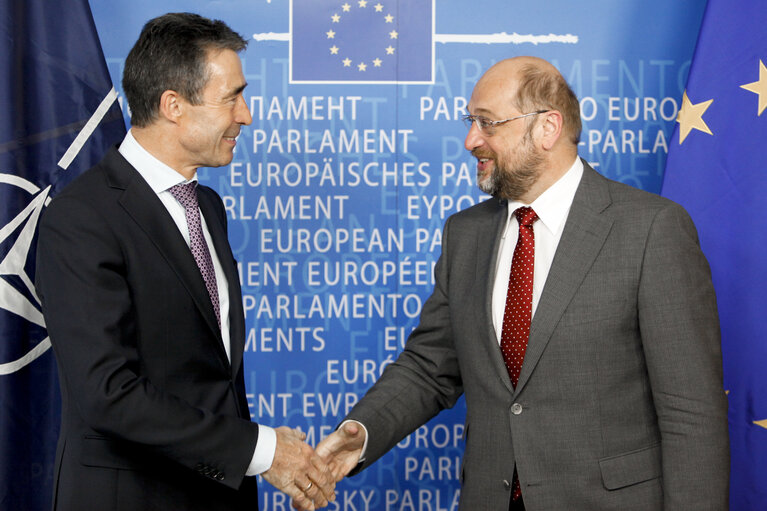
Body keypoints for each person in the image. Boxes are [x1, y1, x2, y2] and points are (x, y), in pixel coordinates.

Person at [316, 56, 730, 510]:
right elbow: (430, 365)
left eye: (488, 123)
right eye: (470, 122)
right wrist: (363, 432)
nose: (471, 140)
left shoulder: (650, 229)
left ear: (548, 127)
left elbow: (692, 415)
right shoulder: (465, 234)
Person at [35, 13, 333, 511]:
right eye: (231, 97)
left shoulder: (208, 208)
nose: (247, 115)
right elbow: (107, 393)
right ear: (173, 104)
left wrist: (259, 451)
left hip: (217, 491)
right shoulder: (81, 218)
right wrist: (261, 451)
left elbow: (205, 375)